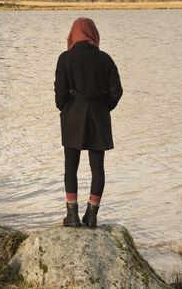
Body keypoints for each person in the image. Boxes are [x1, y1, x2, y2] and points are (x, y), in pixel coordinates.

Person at [54, 17, 123, 228]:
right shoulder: (106, 59)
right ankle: (92, 216)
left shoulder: (65, 58)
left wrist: (67, 108)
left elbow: (59, 96)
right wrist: (103, 107)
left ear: (73, 34)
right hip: (98, 115)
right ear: (94, 34)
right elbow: (116, 92)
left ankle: (72, 215)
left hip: (73, 115)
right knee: (97, 168)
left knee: (70, 165)